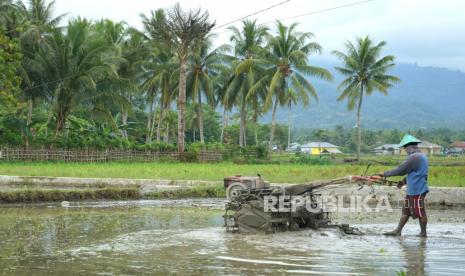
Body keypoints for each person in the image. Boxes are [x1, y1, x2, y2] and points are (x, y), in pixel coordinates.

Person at [378, 134, 429, 237]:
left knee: (420, 211)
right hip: (413, 189)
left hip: (417, 190)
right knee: (406, 211)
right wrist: (403, 182)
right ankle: (398, 231)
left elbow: (401, 170)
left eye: (405, 148)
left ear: (410, 146)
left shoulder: (415, 157)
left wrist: (385, 174)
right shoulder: (420, 156)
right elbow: (414, 173)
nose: (405, 150)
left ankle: (423, 233)